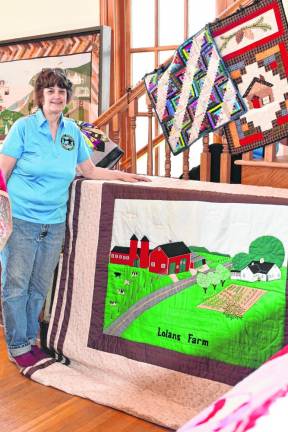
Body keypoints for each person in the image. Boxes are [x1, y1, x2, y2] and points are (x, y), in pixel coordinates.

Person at [0, 68, 150, 369]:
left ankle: (31, 340)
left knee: (39, 286)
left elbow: (89, 170)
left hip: (53, 223)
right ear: (40, 96)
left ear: (67, 97)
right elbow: (2, 172)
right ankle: (18, 345)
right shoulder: (23, 128)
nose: (57, 95)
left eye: (62, 90)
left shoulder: (72, 133)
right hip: (22, 220)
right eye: (50, 90)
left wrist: (125, 175)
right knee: (16, 286)